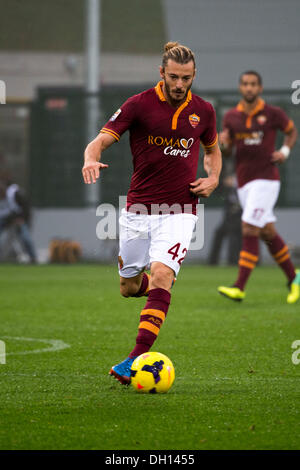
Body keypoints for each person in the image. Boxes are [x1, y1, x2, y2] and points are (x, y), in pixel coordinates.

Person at [82, 42, 222, 385]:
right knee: (129, 288)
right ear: (161, 73)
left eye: (186, 78)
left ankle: (134, 358)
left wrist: (214, 178)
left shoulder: (203, 111)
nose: (179, 84)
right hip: (138, 209)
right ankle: (163, 288)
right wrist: (89, 157)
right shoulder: (139, 104)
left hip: (180, 210)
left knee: (160, 274)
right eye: (173, 77)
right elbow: (99, 140)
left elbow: (213, 151)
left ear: (193, 76)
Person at [218, 70, 299, 304]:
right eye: (245, 84)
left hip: (266, 179)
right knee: (267, 233)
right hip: (244, 183)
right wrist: (223, 145)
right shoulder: (231, 117)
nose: (249, 88)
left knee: (249, 228)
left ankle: (239, 286)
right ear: (240, 87)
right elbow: (229, 151)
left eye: (253, 84)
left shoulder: (273, 113)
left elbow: (291, 131)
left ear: (260, 88)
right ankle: (294, 279)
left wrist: (284, 151)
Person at [0, 178, 37, 263]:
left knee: (25, 238)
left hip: (20, 219)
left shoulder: (15, 193)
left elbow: (26, 206)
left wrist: (23, 219)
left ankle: (33, 258)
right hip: (10, 219)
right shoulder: (6, 197)